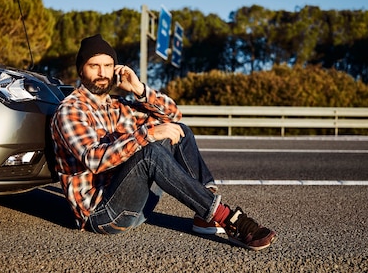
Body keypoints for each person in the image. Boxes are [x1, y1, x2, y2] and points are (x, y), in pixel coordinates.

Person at [50, 34, 276, 251]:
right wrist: (147, 134)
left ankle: (205, 216)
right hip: (104, 216)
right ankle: (226, 217)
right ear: (81, 70)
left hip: (135, 205)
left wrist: (139, 89)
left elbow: (174, 116)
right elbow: (94, 159)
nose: (102, 73)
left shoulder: (119, 106)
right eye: (94, 66)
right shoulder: (70, 110)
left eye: (107, 65)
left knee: (179, 131)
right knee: (149, 151)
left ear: (115, 69)